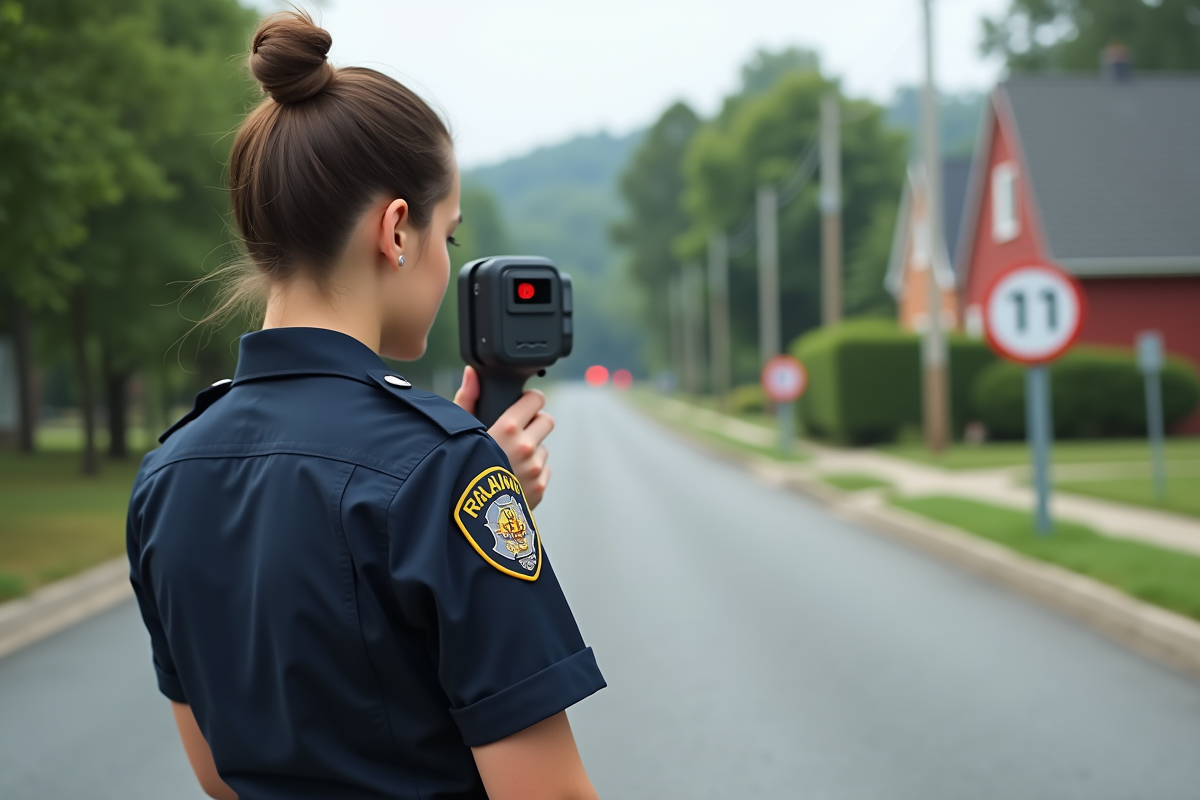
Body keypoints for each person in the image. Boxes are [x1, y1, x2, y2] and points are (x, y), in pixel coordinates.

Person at [125, 11, 605, 800]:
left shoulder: (166, 474)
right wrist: (471, 495)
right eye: (447, 237)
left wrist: (472, 495)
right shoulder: (444, 468)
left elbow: (217, 774)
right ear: (395, 231)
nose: (447, 264)